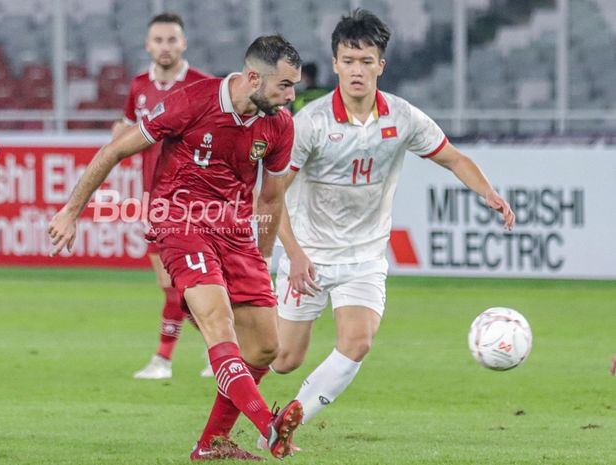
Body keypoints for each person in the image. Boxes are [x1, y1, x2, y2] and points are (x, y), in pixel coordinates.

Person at [49, 35, 304, 460]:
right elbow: (116, 148)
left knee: (265, 347)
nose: (291, 96)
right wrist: (71, 211)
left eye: (294, 86)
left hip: (238, 234)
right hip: (181, 225)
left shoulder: (279, 123)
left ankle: (210, 446)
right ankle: (269, 424)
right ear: (254, 77)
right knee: (218, 324)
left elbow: (272, 198)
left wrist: (261, 256)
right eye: (284, 86)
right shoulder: (193, 101)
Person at [269, 9, 516, 426]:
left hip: (364, 258)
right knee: (282, 360)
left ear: (381, 65)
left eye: (366, 61)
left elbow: (453, 157)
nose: (357, 71)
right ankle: (227, 337)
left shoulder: (402, 117)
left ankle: (288, 421)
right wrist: (292, 254)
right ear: (335, 64)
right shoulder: (309, 123)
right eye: (348, 61)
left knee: (358, 341)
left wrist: (488, 192)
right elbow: (272, 195)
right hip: (307, 256)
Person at [111, 12, 212, 380]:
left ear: (184, 43)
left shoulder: (202, 85)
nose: (165, 47)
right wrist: (119, 133)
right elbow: (128, 136)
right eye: (159, 40)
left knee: (186, 284)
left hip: (194, 201)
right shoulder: (139, 87)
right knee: (172, 285)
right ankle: (218, 350)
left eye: (172, 40)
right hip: (154, 201)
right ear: (147, 45)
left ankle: (164, 359)